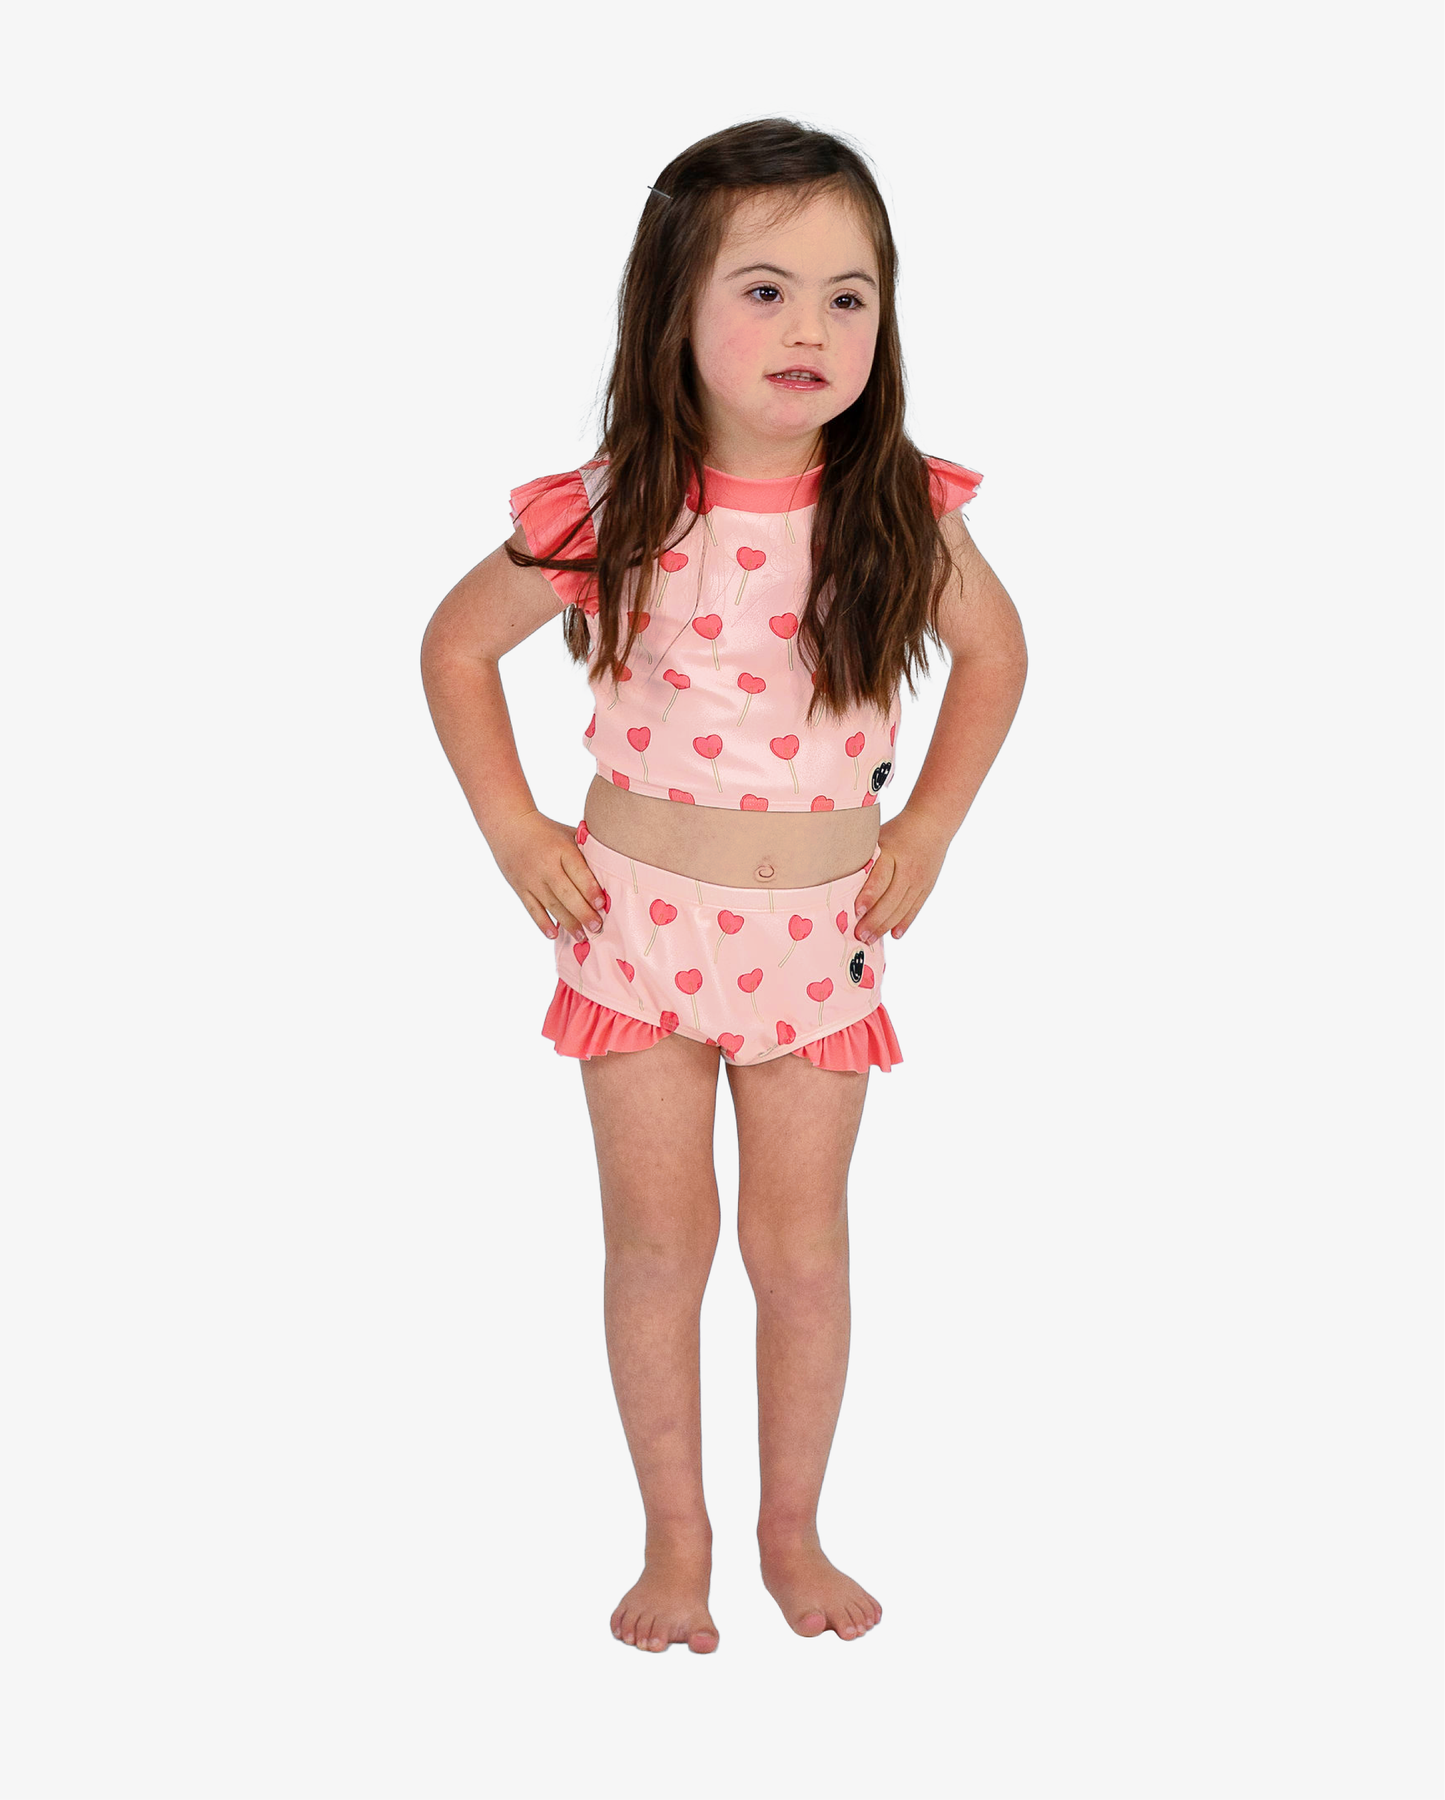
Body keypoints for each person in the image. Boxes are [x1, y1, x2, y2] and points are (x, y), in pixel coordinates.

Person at [420, 117, 1027, 1656]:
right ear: (673, 313)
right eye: (764, 290)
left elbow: (999, 657)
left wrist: (931, 827)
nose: (811, 326)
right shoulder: (621, 503)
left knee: (802, 1254)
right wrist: (516, 831)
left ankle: (790, 1529)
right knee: (658, 1247)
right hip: (633, 931)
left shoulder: (895, 507)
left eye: (847, 295)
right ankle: (674, 1537)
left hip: (822, 938)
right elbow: (454, 647)